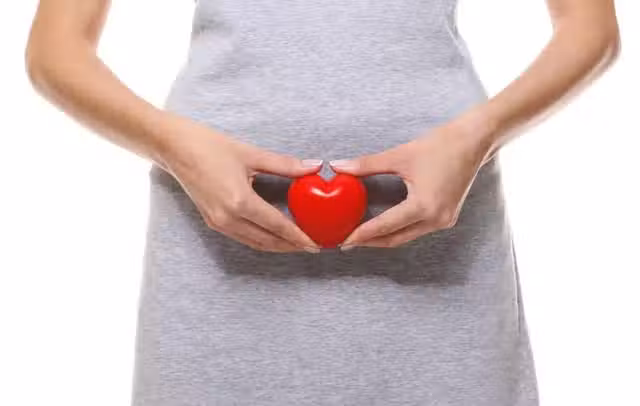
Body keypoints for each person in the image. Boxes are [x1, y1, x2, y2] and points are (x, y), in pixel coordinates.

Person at [25, 0, 620, 405]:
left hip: (442, 223)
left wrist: (477, 135)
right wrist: (173, 145)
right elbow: (56, 50)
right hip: (217, 227)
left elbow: (590, 29)